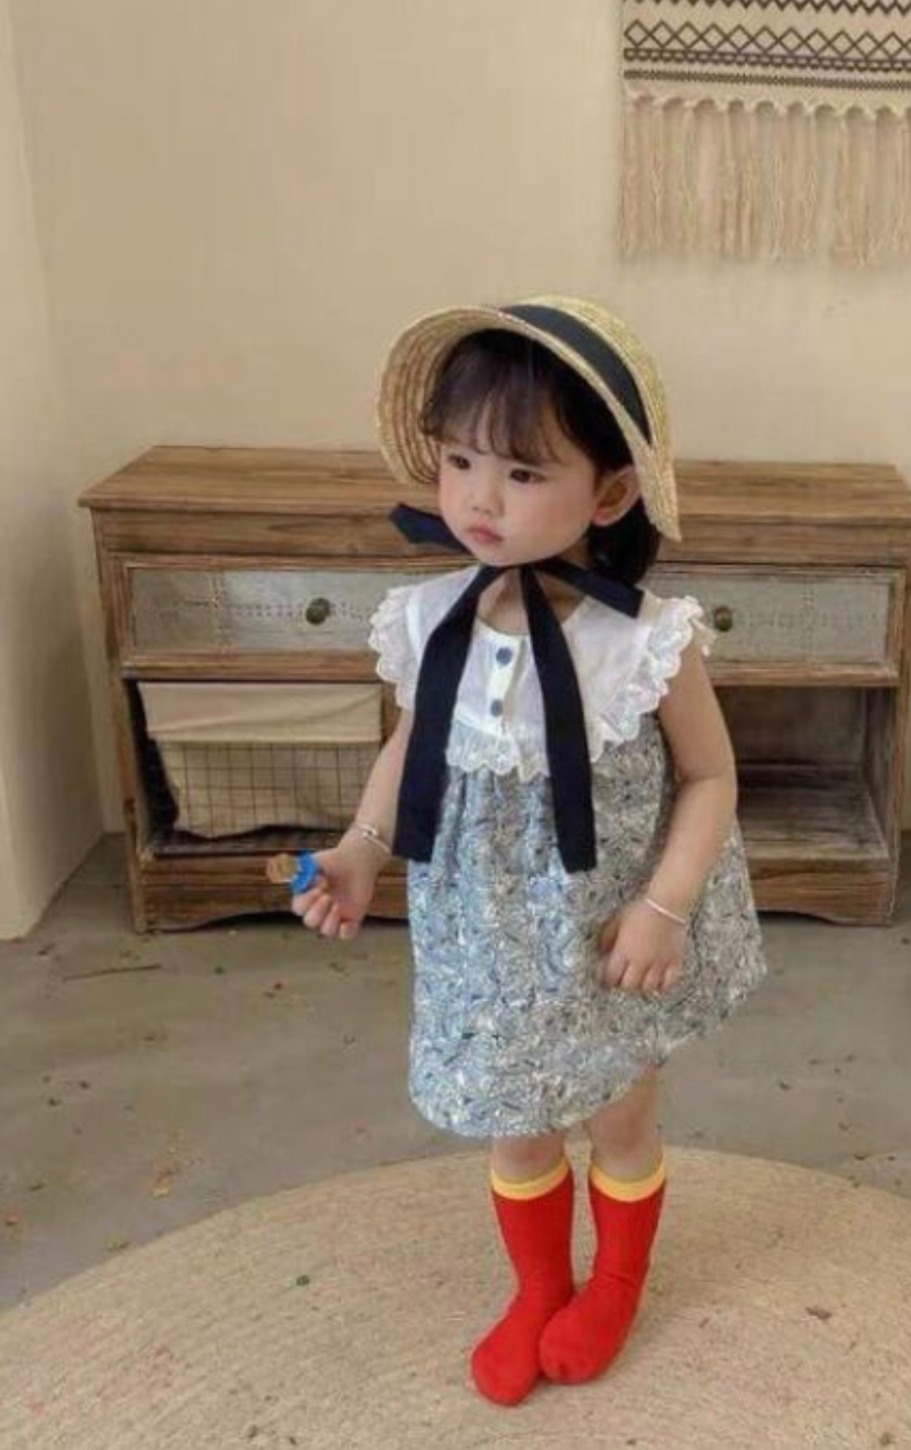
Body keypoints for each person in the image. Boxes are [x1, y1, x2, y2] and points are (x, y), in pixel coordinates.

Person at [291, 297, 767, 1406]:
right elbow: (415, 745)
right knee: (512, 1116)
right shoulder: (428, 618)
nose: (476, 497)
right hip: (482, 935)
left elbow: (711, 778)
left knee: (618, 1109)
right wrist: (362, 850)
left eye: (518, 472)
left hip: (607, 930)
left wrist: (664, 907)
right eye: (458, 461)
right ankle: (538, 1286)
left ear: (609, 493)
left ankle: (618, 1278)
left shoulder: (646, 640)